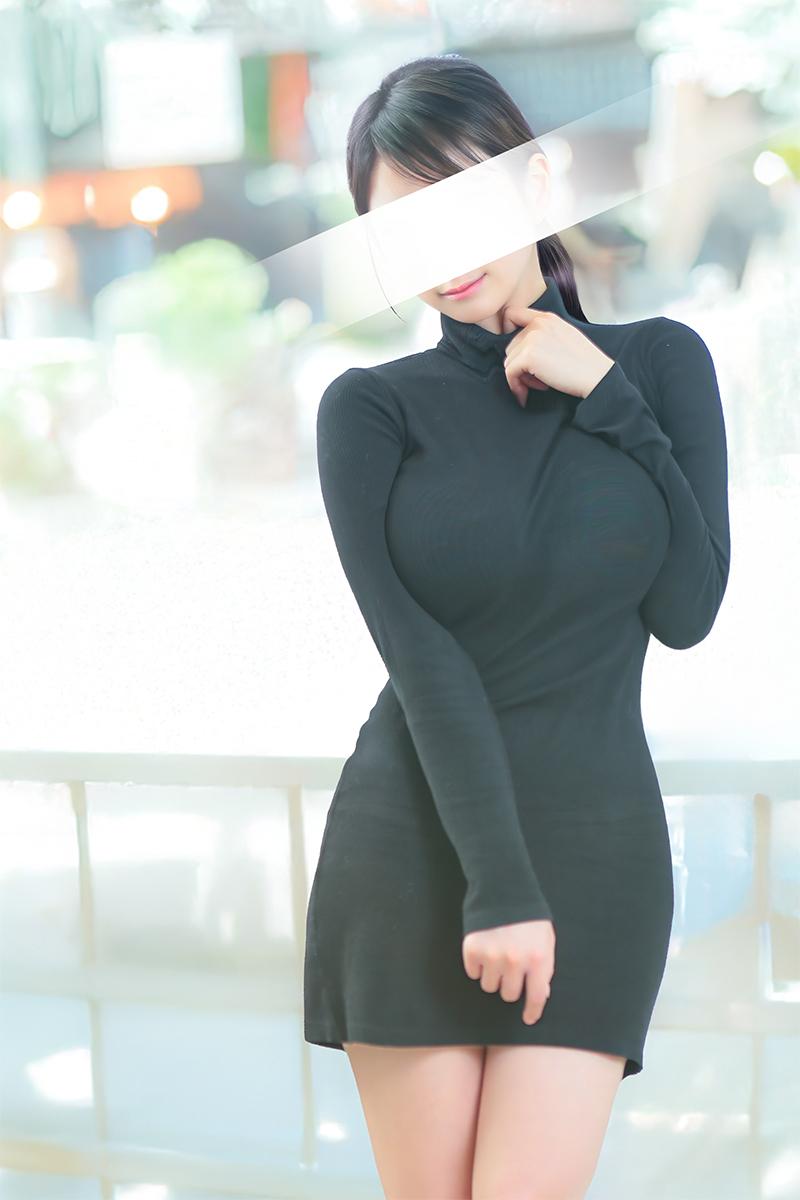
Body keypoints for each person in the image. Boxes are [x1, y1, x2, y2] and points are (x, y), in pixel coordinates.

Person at [304, 54, 730, 1200]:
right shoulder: (368, 411)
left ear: (535, 182)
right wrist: (498, 888)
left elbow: (686, 609)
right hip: (414, 850)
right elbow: (421, 658)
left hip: (595, 850)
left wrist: (609, 398)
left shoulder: (657, 364)